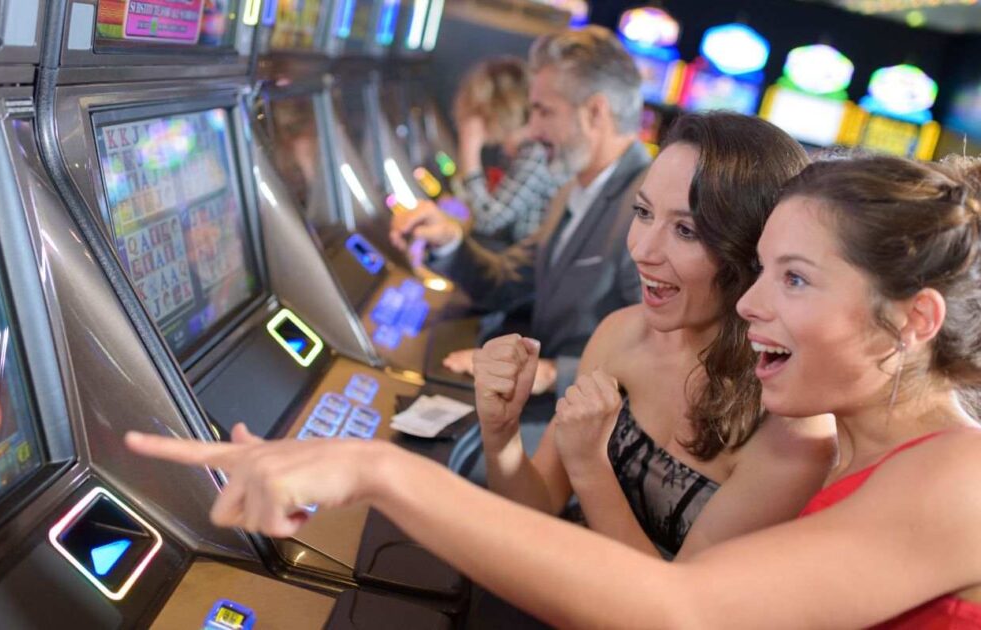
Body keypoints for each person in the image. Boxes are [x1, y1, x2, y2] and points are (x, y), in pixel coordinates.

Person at [128, 153, 981, 628]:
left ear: (911, 320)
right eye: (761, 272)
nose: (752, 303)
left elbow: (681, 610)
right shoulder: (845, 442)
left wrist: (379, 469)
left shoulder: (959, 477)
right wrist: (499, 440)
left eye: (794, 280)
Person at [470, 112, 835, 559]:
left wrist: (590, 467)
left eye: (686, 230)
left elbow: (679, 607)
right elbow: (537, 505)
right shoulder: (619, 332)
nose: (642, 250)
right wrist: (501, 429)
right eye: (643, 212)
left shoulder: (795, 429)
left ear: (754, 253)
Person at [394, 25, 649, 396]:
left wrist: (550, 374)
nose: (532, 130)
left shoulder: (649, 208)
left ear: (595, 112)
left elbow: (664, 356)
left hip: (589, 422)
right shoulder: (572, 190)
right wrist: (451, 241)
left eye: (543, 112)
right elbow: (507, 282)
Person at [453, 56, 563, 248]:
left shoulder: (535, 153)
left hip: (528, 267)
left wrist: (469, 150)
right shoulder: (514, 151)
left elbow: (487, 221)